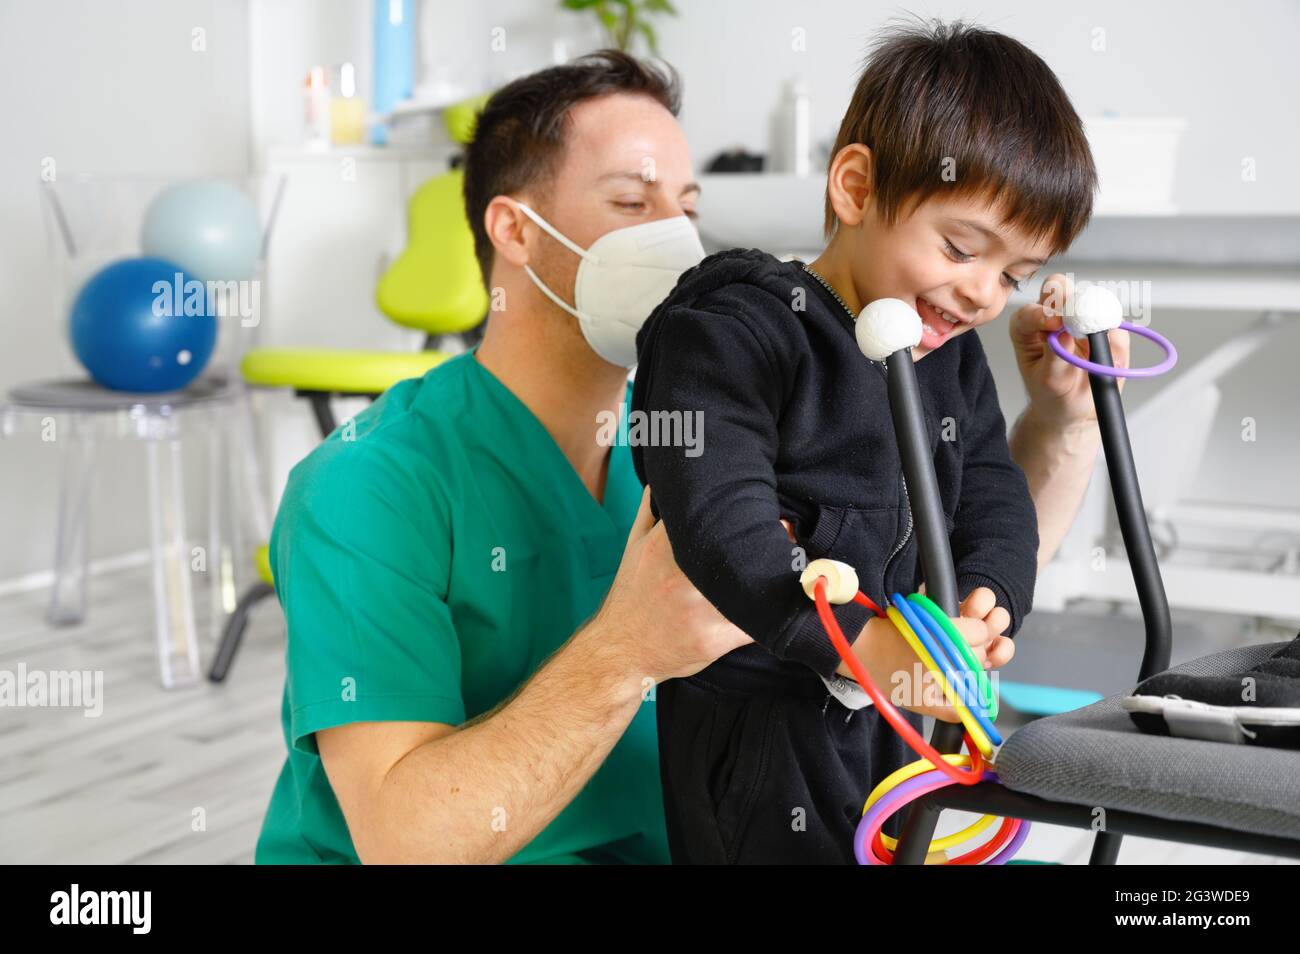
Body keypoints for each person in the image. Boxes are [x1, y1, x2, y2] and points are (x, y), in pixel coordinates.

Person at [254, 46, 1128, 865]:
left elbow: (943, 555)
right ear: (514, 234)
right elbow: (409, 845)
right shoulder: (371, 484)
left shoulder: (718, 423)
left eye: (689, 207)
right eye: (633, 205)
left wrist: (1065, 424)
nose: (675, 239)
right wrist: (626, 649)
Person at [633, 21, 1104, 863]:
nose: (983, 295)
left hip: (892, 719)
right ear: (856, 188)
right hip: (758, 728)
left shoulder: (947, 359)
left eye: (1013, 276)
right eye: (962, 248)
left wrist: (993, 595)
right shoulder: (733, 330)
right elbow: (718, 518)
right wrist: (860, 645)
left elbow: (992, 487)